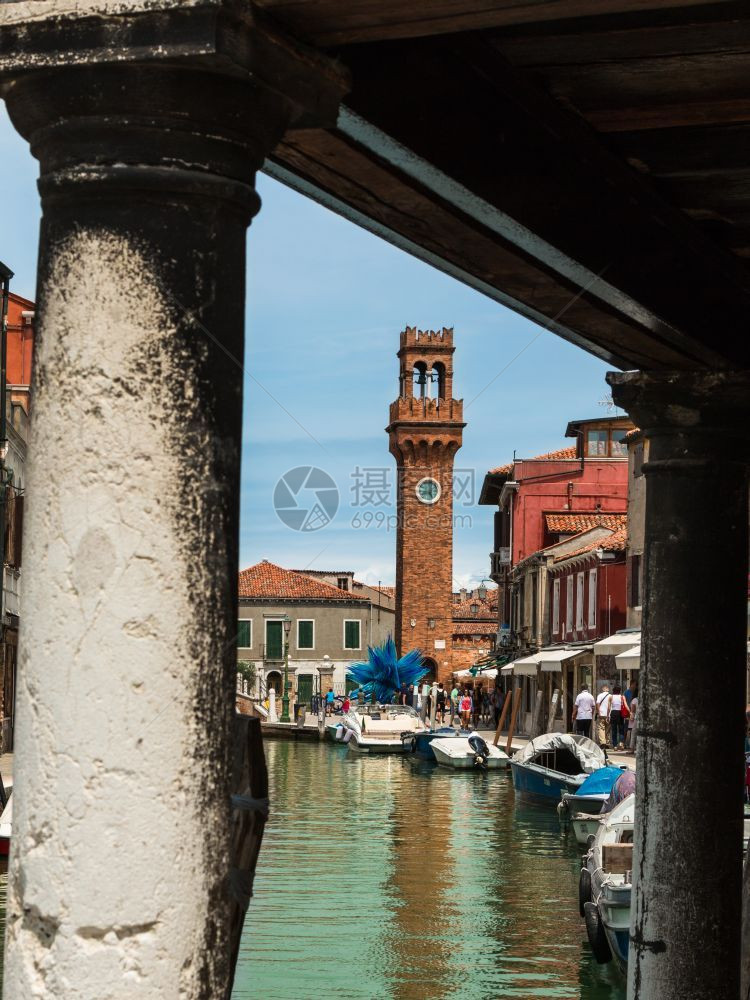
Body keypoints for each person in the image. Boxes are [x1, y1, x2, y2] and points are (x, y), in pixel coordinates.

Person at [609, 685, 626, 749]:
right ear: (620, 691)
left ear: (613, 691)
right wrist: (629, 712)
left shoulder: (611, 697)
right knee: (621, 729)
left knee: (614, 730)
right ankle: (621, 743)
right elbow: (626, 705)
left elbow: (608, 707)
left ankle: (615, 745)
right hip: (620, 713)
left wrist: (608, 715)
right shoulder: (622, 697)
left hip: (613, 713)